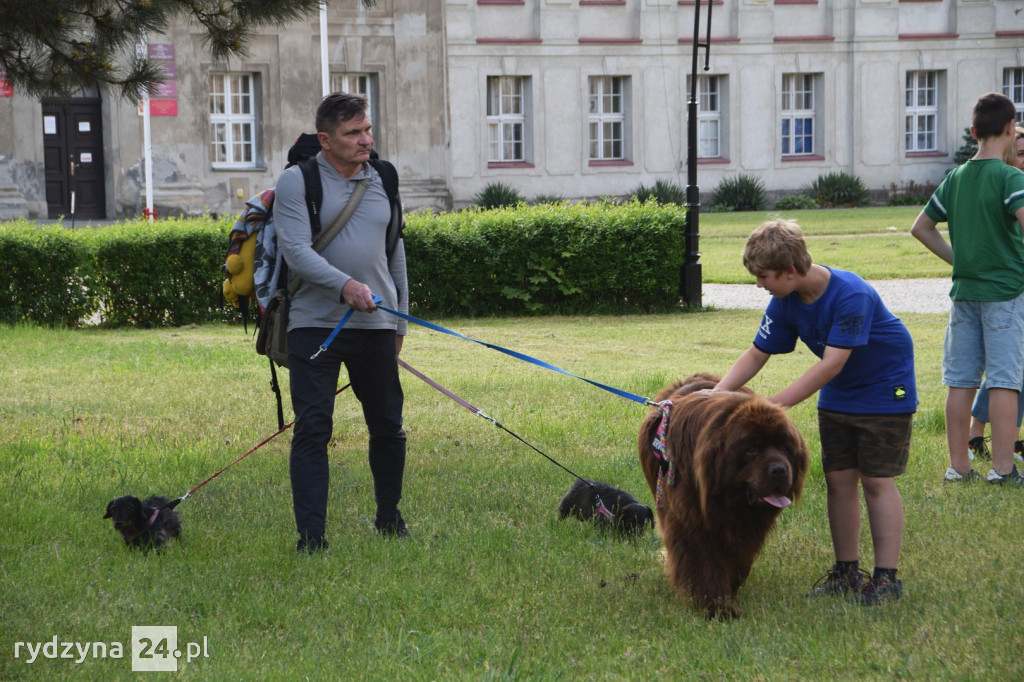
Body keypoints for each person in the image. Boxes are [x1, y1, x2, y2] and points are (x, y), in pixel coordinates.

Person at [713, 219, 916, 606]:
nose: (760, 284)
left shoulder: (850, 294)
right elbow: (759, 351)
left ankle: (887, 579)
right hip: (839, 396)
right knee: (839, 480)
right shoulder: (786, 299)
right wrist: (718, 393)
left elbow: (830, 365)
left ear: (790, 271)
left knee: (876, 481)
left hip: (883, 392)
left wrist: (771, 405)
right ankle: (845, 571)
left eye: (764, 276)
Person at [275, 92, 410, 552]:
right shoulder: (298, 181)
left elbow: (395, 253)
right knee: (313, 428)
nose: (365, 140)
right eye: (353, 133)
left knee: (388, 426)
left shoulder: (384, 177)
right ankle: (311, 537)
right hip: (315, 324)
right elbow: (296, 252)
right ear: (325, 140)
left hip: (376, 325)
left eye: (367, 129)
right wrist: (346, 286)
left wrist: (400, 324)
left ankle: (389, 518)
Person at [911, 93, 1024, 486]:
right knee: (1006, 380)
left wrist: (959, 260)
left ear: (973, 132)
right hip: (1006, 294)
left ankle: (958, 467)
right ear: (1011, 129)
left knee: (960, 381)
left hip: (964, 295)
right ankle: (1003, 470)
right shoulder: (1011, 178)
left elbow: (921, 227)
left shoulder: (955, 178)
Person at [967, 124, 1024, 461]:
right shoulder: (1004, 186)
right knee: (1008, 369)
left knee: (1013, 367)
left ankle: (1004, 440)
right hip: (1008, 290)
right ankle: (979, 436)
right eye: (1020, 153)